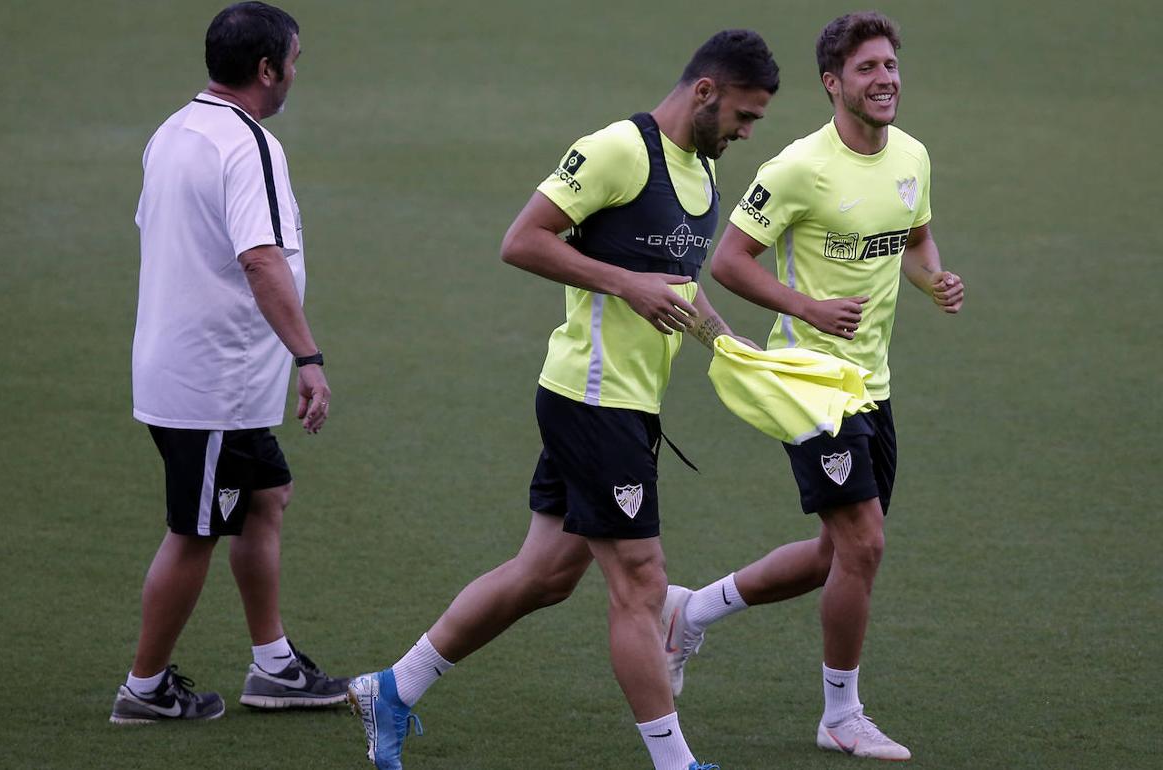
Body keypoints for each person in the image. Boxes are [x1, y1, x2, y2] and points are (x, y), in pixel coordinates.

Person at [347, 30, 779, 770]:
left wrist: (736, 350)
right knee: (642, 585)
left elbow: (677, 281)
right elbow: (522, 240)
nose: (746, 132)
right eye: (744, 115)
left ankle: (393, 688)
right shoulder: (618, 150)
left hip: (629, 404)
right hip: (592, 398)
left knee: (543, 576)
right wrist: (624, 283)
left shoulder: (703, 173)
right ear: (705, 91)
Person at [661, 12, 965, 761]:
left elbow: (916, 237)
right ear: (834, 83)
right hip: (808, 383)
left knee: (839, 553)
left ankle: (689, 613)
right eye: (866, 68)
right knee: (865, 542)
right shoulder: (798, 167)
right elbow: (728, 262)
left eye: (890, 64)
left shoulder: (914, 158)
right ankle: (840, 715)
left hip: (872, 383)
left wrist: (935, 281)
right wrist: (805, 307)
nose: (885, 78)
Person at [110, 1, 348, 724]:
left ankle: (273, 664)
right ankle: (144, 690)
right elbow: (259, 257)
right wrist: (307, 356)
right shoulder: (248, 146)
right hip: (210, 384)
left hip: (203, 375)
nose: (296, 75)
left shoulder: (175, 131)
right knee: (197, 531)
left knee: (264, 499)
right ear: (266, 68)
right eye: (294, 62)